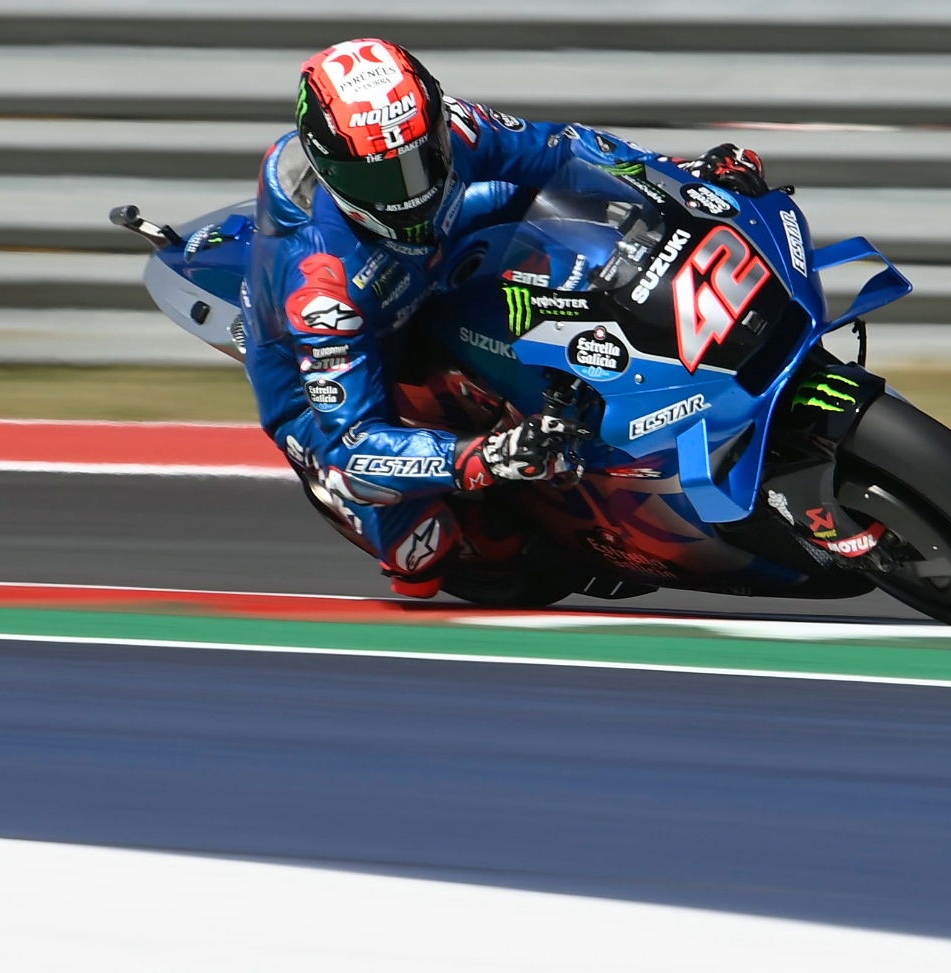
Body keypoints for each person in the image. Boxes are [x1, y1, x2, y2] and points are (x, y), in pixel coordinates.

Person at [240, 38, 771, 597]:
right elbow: (354, 442)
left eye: (420, 160)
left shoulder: (451, 127)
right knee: (420, 556)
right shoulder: (321, 288)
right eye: (381, 179)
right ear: (332, 169)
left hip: (437, 264)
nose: (409, 190)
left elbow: (565, 148)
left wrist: (678, 173)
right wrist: (482, 458)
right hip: (333, 372)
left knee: (565, 204)